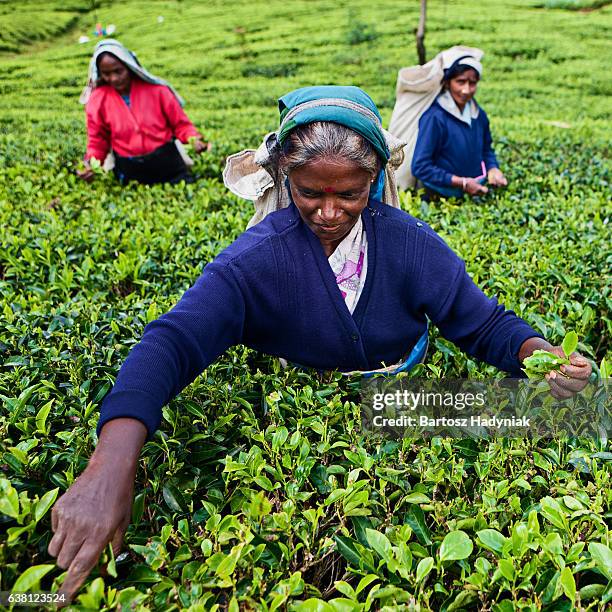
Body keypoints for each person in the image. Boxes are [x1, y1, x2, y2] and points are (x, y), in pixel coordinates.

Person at [49, 86, 591, 601]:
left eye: (349, 194)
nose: (329, 213)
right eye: (310, 192)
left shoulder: (412, 246)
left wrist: (538, 356)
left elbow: (484, 324)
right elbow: (174, 340)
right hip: (302, 412)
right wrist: (110, 465)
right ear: (286, 179)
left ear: (375, 180)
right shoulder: (257, 259)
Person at [77, 39, 210, 185]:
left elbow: (180, 124)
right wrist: (91, 164)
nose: (114, 78)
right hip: (129, 169)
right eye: (106, 73)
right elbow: (98, 140)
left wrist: (194, 139)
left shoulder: (157, 91)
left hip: (167, 163)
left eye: (118, 71)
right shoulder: (97, 100)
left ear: (128, 66)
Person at [411, 55, 508, 199]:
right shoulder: (435, 117)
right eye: (460, 82)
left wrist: (493, 169)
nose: (466, 90)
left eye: (472, 83)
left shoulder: (478, 115)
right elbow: (420, 167)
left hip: (474, 190)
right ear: (448, 82)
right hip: (439, 196)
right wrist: (461, 182)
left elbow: (486, 149)